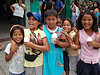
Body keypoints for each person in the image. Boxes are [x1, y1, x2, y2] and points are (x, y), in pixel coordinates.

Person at [71, 10, 100, 75]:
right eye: (84, 20)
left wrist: (95, 44)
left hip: (95, 64)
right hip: (83, 64)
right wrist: (74, 47)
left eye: (89, 20)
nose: (86, 22)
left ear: (93, 21)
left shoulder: (98, 32)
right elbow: (77, 46)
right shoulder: (79, 32)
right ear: (81, 21)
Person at [43, 9, 70, 75]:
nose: (51, 22)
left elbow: (68, 44)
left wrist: (59, 43)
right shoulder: (43, 28)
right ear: (45, 19)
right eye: (48, 19)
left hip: (57, 55)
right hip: (46, 56)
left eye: (53, 19)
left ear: (57, 19)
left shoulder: (61, 30)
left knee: (57, 72)